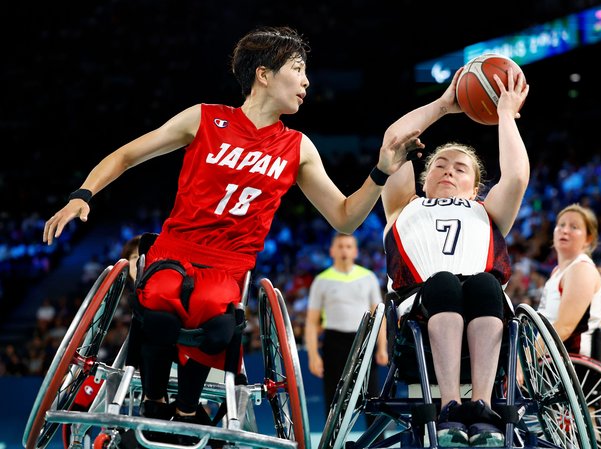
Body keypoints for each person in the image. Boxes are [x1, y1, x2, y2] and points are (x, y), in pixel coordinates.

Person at [42, 26, 419, 443]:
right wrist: (82, 195)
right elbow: (129, 154)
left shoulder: (298, 147)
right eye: (298, 69)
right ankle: (153, 402)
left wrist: (382, 172)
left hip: (229, 265)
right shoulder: (203, 117)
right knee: (161, 302)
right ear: (264, 74)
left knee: (216, 318)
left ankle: (188, 410)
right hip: (176, 249)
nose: (307, 81)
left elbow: (345, 217)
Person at [380, 65, 529, 447]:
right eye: (439, 165)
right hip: (417, 309)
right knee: (444, 282)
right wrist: (445, 104)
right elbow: (394, 139)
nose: (447, 170)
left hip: (484, 303)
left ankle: (480, 404)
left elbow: (515, 177)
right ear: (424, 178)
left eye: (459, 168)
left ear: (475, 187)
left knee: (482, 282)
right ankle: (449, 406)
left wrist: (505, 116)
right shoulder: (404, 204)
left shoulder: (487, 209)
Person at [304, 232, 387, 425]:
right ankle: (333, 444)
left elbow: (379, 316)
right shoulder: (322, 280)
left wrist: (382, 347)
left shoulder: (368, 278)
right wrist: (313, 355)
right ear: (332, 251)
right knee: (334, 401)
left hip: (364, 342)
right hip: (334, 343)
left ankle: (375, 444)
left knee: (372, 398)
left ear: (355, 251)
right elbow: (311, 321)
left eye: (349, 246)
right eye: (340, 246)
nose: (344, 250)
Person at [536, 204, 601, 358]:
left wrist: (526, 358)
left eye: (574, 227)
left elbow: (564, 328)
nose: (565, 230)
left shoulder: (581, 268)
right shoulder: (557, 272)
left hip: (573, 365)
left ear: (588, 239)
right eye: (561, 225)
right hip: (552, 360)